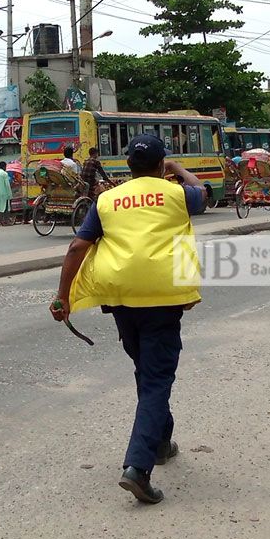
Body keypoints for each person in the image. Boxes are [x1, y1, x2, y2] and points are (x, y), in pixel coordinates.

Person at [50, 134, 206, 504]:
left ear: (128, 166)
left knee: (147, 371)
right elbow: (202, 189)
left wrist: (62, 297)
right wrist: (176, 169)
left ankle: (161, 441)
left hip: (121, 297)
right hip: (163, 295)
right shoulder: (177, 194)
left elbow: (77, 247)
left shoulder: (107, 200)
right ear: (159, 164)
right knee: (155, 378)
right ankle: (138, 467)